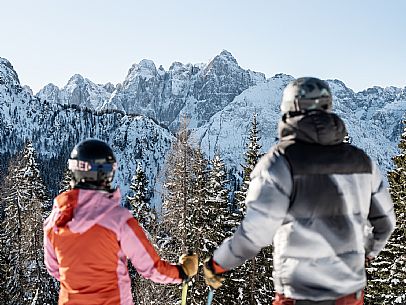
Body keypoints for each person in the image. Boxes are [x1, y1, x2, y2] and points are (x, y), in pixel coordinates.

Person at [203, 77, 396, 305]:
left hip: (298, 295)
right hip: (349, 296)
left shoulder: (279, 162)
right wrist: (367, 252)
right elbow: (386, 223)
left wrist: (217, 264)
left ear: (289, 110)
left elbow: (254, 234)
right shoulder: (362, 162)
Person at [44, 139, 198, 305]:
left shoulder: (54, 221)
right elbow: (151, 268)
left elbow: (55, 269)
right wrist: (182, 272)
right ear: (106, 174)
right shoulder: (118, 220)